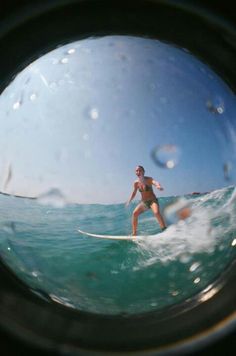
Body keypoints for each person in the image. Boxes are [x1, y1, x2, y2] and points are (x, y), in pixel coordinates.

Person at [126, 165, 167, 236]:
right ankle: (134, 233)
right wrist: (129, 200)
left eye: (140, 170)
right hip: (144, 203)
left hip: (153, 201)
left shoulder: (149, 179)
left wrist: (158, 186)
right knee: (135, 213)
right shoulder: (136, 183)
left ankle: (164, 230)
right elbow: (134, 192)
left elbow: (155, 182)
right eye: (136, 171)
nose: (138, 172)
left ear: (143, 172)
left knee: (156, 212)